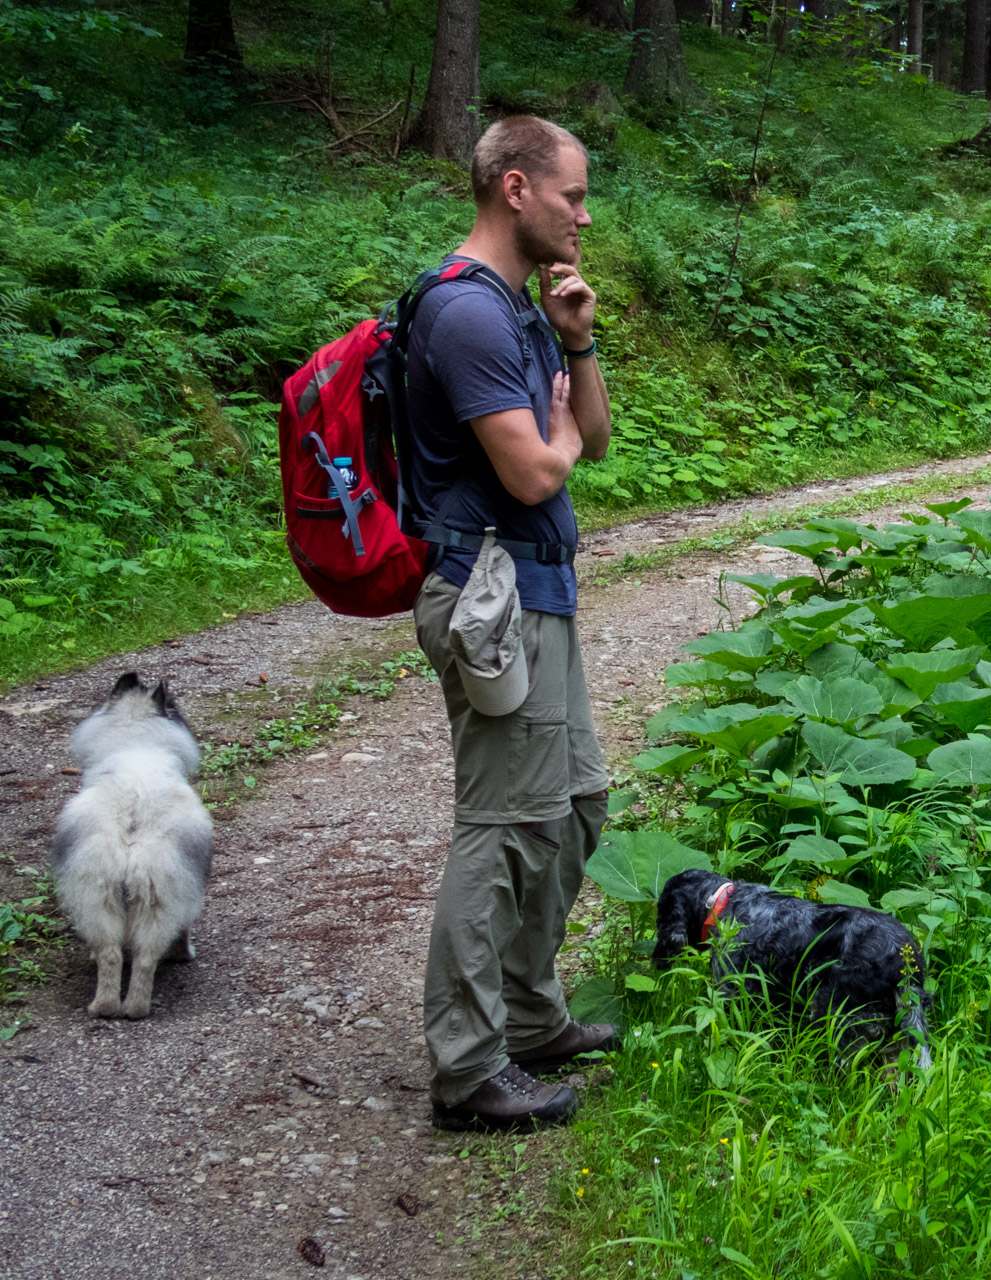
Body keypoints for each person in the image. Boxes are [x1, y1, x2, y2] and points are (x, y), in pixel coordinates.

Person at [405, 115, 616, 1131]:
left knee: (575, 805)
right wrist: (562, 430)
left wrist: (577, 343)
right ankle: (467, 1065)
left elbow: (596, 439)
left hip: (542, 591)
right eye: (573, 195)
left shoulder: (524, 311)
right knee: (501, 828)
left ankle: (531, 1013)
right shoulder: (467, 317)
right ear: (517, 187)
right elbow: (537, 466)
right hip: (489, 599)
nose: (584, 214)